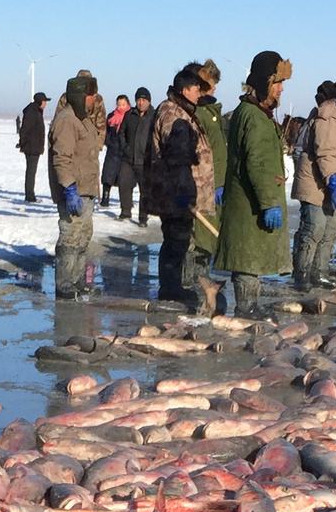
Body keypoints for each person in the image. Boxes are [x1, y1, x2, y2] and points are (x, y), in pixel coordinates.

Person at [214, 50, 292, 317]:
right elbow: (257, 163)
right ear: (264, 83)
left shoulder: (253, 113)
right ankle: (246, 307)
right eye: (277, 83)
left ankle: (250, 305)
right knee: (247, 256)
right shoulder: (254, 116)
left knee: (251, 254)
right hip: (249, 203)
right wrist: (270, 202)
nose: (281, 90)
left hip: (250, 199)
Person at [146, 61, 222, 311]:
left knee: (178, 241)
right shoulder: (173, 114)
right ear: (185, 90)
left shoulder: (183, 112)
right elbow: (177, 158)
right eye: (196, 89)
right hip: (175, 193)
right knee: (175, 241)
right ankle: (170, 290)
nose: (200, 94)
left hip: (181, 191)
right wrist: (182, 191)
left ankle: (174, 286)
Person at [292, 68, 336, 291]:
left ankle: (320, 271)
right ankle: (302, 273)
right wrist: (333, 181)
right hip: (314, 180)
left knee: (330, 230)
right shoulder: (328, 115)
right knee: (314, 228)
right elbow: (326, 153)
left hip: (332, 177)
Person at [48, 71, 103, 302]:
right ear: (81, 96)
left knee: (83, 237)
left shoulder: (84, 120)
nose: (94, 100)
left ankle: (78, 280)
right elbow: (62, 158)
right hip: (74, 191)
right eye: (91, 96)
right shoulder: (67, 120)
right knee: (70, 238)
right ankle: (65, 285)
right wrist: (69, 188)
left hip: (87, 190)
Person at [115, 86, 155, 224]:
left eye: (144, 100)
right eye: (139, 100)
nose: (141, 103)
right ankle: (125, 211)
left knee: (145, 191)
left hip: (145, 160)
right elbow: (121, 133)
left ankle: (143, 217)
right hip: (129, 158)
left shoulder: (154, 116)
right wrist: (125, 148)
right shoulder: (129, 115)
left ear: (149, 101)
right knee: (124, 183)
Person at [100, 93, 128, 209]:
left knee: (124, 178)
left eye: (123, 104)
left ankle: (125, 202)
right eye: (119, 104)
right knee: (108, 175)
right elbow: (106, 131)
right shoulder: (111, 116)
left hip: (125, 151)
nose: (121, 107)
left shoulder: (131, 115)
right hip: (112, 150)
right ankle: (105, 198)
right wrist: (108, 142)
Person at [18, 90, 47, 202]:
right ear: (40, 101)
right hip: (31, 147)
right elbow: (25, 129)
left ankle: (30, 194)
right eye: (44, 101)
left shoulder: (36, 111)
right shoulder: (32, 112)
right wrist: (22, 142)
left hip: (34, 146)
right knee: (31, 172)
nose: (45, 104)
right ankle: (29, 195)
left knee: (31, 171)